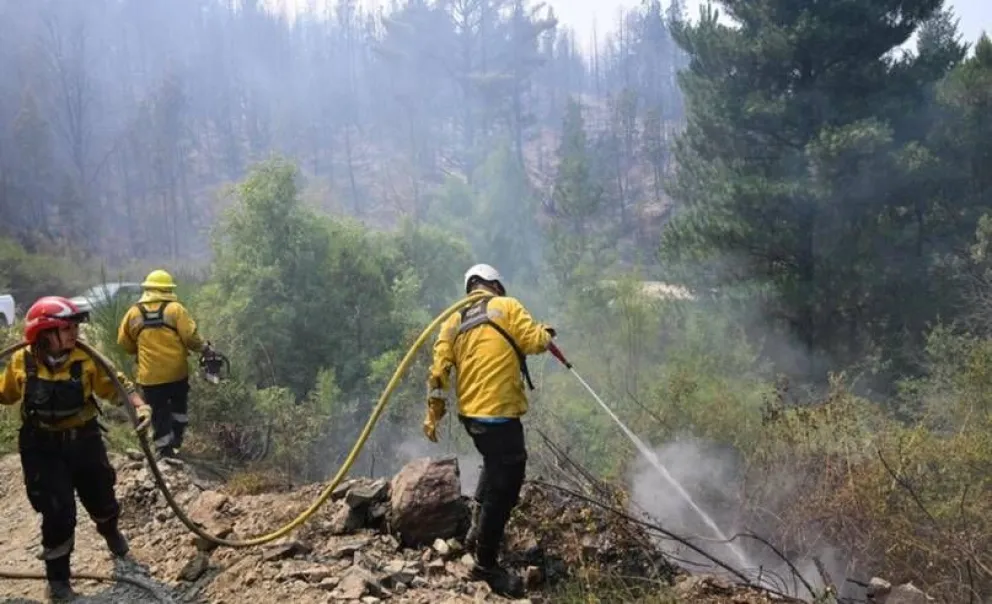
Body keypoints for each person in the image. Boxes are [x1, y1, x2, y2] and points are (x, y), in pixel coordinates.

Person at [0, 296, 152, 601]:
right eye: (66, 328)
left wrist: (140, 406)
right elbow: (5, 394)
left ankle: (109, 530)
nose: (74, 334)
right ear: (45, 333)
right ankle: (58, 581)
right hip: (40, 446)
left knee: (102, 495)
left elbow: (117, 386)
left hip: (83, 440)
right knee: (57, 511)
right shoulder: (22, 361)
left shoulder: (85, 359)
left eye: (75, 327)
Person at [424, 263, 556, 598]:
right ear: (496, 284)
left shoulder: (453, 321)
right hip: (499, 414)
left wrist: (434, 414)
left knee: (495, 463)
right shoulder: (507, 306)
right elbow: (533, 341)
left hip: (472, 418)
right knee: (508, 481)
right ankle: (485, 564)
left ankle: (474, 534)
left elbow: (438, 373)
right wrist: (547, 334)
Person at [117, 269, 209, 459]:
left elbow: (123, 342)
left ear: (148, 289)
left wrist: (139, 351)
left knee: (158, 412)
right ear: (168, 289)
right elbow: (191, 337)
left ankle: (163, 450)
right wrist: (204, 348)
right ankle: (176, 439)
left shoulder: (134, 312)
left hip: (150, 376)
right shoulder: (175, 310)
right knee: (179, 407)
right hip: (177, 372)